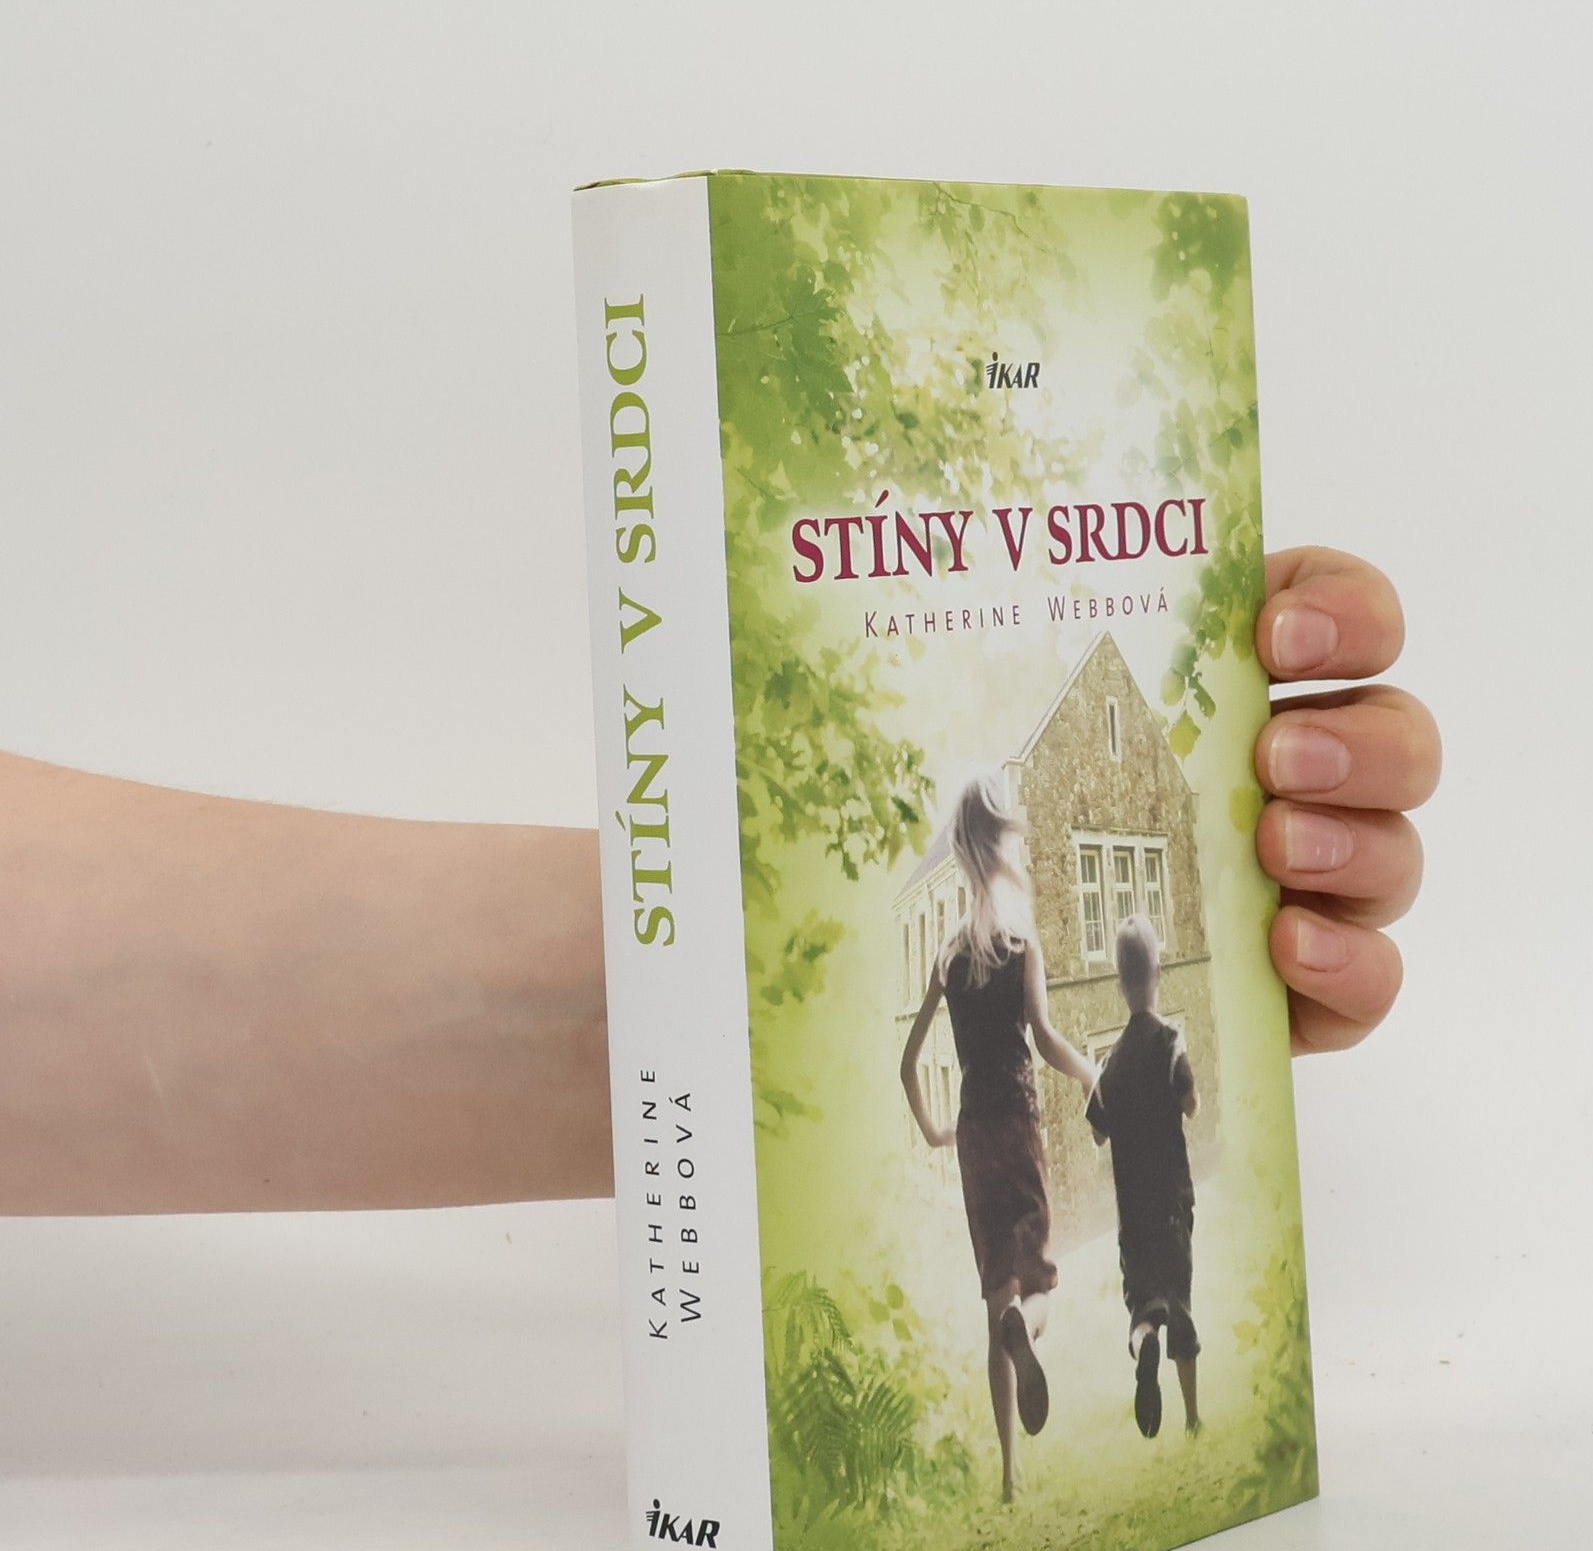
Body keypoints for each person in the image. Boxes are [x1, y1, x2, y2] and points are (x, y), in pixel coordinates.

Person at [0, 549, 1439, 1218]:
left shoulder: (996, 950)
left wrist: (702, 993)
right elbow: (962, 1040)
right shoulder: (966, 955)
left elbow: (1001, 1038)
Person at [900, 770, 1097, 1502]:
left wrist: (934, 1131)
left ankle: (1009, 1480)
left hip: (974, 1134)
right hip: (1017, 1123)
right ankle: (1026, 1324)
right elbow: (1044, 1037)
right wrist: (1091, 1075)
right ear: (1001, 841)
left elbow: (907, 1063)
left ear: (960, 850)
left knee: (993, 1299)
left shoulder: (949, 954)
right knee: (1035, 1287)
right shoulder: (1019, 942)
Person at [1086, 915, 1200, 1439]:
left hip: (1133, 1220)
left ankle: (1144, 1342)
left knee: (1143, 1310)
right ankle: (1192, 1417)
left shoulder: (1110, 1065)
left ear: (1119, 985)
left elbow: (1098, 1133)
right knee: (1180, 1306)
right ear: (1159, 972)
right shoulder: (1171, 1043)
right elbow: (1191, 1104)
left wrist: (1095, 1085)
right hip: (1173, 1205)